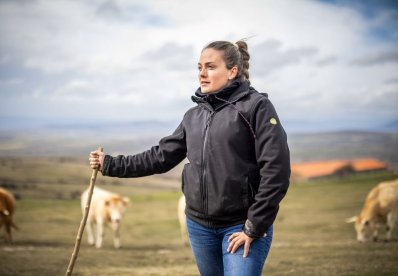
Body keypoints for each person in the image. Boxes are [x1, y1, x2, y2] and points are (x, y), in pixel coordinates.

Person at [89, 40, 291, 276]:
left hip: (241, 226)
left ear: (232, 71)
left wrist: (254, 226)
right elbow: (160, 157)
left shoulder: (256, 108)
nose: (202, 74)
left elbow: (276, 170)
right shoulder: (193, 116)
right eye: (199, 67)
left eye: (210, 67)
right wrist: (110, 164)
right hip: (199, 228)